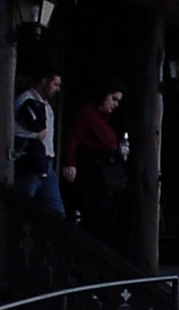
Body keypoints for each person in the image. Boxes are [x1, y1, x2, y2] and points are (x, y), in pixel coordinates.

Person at [62, 76, 127, 247]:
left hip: (106, 177)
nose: (115, 104)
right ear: (104, 95)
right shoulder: (86, 113)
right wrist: (70, 163)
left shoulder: (105, 120)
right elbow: (73, 138)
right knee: (96, 218)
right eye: (113, 99)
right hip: (91, 173)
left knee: (108, 219)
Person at [13, 70, 65, 215]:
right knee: (23, 206)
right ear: (44, 81)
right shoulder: (24, 100)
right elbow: (14, 130)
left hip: (46, 162)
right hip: (30, 161)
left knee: (57, 211)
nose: (57, 89)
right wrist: (35, 135)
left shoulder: (47, 106)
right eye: (55, 84)